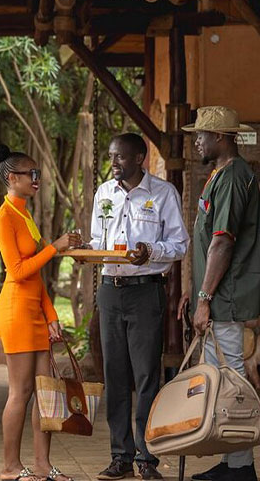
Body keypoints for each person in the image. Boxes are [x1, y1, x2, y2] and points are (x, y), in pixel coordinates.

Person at [177, 106, 260, 481]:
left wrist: (203, 298)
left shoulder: (232, 179)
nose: (196, 140)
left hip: (225, 299)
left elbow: (222, 244)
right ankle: (234, 462)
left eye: (201, 134)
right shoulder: (222, 175)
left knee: (230, 382)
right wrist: (193, 290)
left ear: (220, 138)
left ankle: (242, 466)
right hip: (218, 297)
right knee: (219, 378)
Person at [92, 134, 188, 481]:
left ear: (139, 159)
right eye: (111, 156)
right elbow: (97, 240)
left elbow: (179, 244)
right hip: (110, 291)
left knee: (147, 375)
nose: (113, 162)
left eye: (119, 157)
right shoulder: (104, 192)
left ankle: (147, 457)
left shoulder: (163, 194)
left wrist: (151, 251)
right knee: (114, 376)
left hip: (146, 292)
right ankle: (121, 456)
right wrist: (79, 247)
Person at [0, 142, 80, 481]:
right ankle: (10, 467)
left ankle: (42, 465)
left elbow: (37, 276)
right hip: (15, 312)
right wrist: (55, 247)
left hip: (35, 312)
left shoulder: (25, 213)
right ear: (13, 178)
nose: (37, 180)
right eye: (32, 175)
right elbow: (18, 270)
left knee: (46, 391)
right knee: (21, 392)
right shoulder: (4, 218)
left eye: (38, 174)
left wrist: (52, 316)